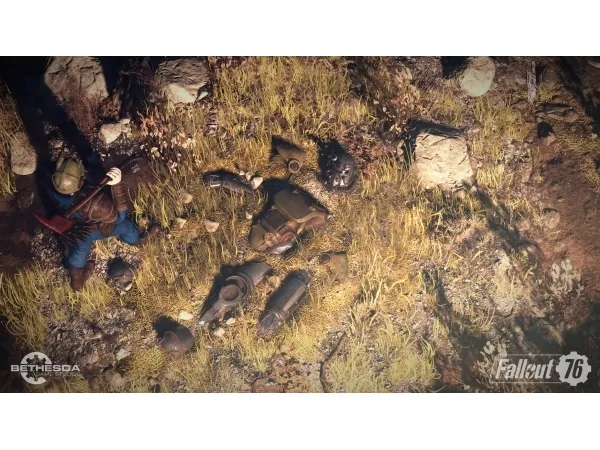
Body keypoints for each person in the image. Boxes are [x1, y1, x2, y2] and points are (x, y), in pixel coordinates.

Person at [47, 157, 159, 291]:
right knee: (125, 225)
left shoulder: (53, 188)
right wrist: (117, 185)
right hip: (97, 227)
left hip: (83, 228)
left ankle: (77, 278)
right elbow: (119, 217)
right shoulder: (97, 204)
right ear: (81, 180)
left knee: (81, 247)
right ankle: (138, 240)